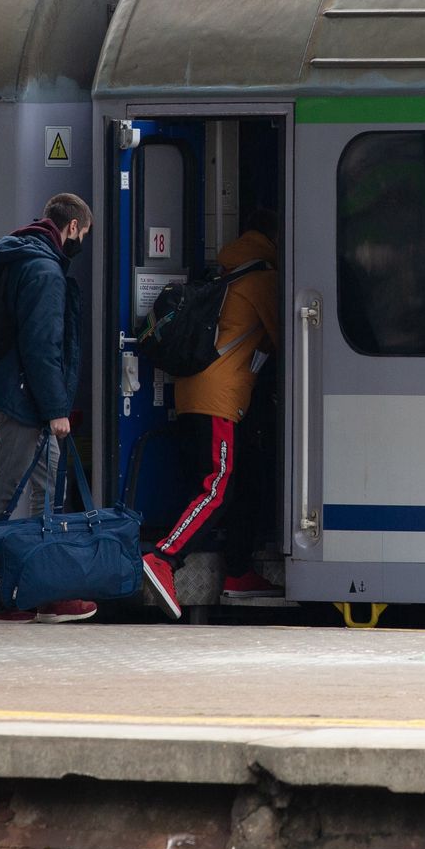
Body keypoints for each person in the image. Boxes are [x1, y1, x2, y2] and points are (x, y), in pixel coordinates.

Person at [0, 192, 97, 626]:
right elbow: (42, 347)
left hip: (12, 396)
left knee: (46, 491)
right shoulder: (43, 271)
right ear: (72, 227)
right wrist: (56, 408)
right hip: (27, 402)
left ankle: (41, 589)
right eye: (83, 235)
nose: (80, 244)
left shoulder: (10, 258)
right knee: (7, 492)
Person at [140, 210, 281, 618]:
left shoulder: (230, 273)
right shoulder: (264, 280)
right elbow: (288, 338)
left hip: (195, 392)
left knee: (244, 480)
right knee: (216, 487)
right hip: (218, 400)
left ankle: (237, 572)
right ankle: (165, 558)